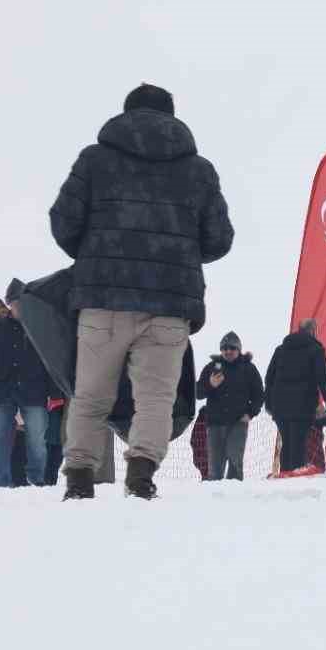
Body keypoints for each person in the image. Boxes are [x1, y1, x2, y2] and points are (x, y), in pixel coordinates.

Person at [50, 84, 233, 500]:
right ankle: (141, 476)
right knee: (155, 399)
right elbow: (219, 238)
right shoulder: (199, 170)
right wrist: (181, 254)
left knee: (91, 394)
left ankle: (79, 480)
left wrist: (96, 254)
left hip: (103, 300)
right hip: (170, 303)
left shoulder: (94, 160)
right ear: (172, 117)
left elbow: (63, 222)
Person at [0, 297, 60, 488]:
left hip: (34, 392)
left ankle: (37, 479)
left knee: (38, 440)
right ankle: (0, 481)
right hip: (2, 391)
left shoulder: (40, 330)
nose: (19, 309)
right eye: (15, 304)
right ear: (10, 306)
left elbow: (51, 364)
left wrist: (55, 393)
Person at [265, 319, 326, 473]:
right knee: (298, 445)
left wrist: (269, 404)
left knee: (287, 444)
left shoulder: (281, 349)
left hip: (280, 407)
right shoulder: (316, 349)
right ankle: (293, 482)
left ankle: (284, 477)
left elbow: (269, 378)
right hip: (302, 406)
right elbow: (322, 378)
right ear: (313, 331)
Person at [198, 331, 264, 480]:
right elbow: (197, 392)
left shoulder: (248, 369)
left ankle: (235, 498)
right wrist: (211, 384)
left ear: (238, 350)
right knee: (215, 468)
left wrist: (250, 413)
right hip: (215, 423)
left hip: (238, 422)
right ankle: (214, 499)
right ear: (221, 350)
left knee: (235, 463)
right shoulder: (212, 368)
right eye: (224, 348)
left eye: (232, 348)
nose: (228, 351)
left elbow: (259, 395)